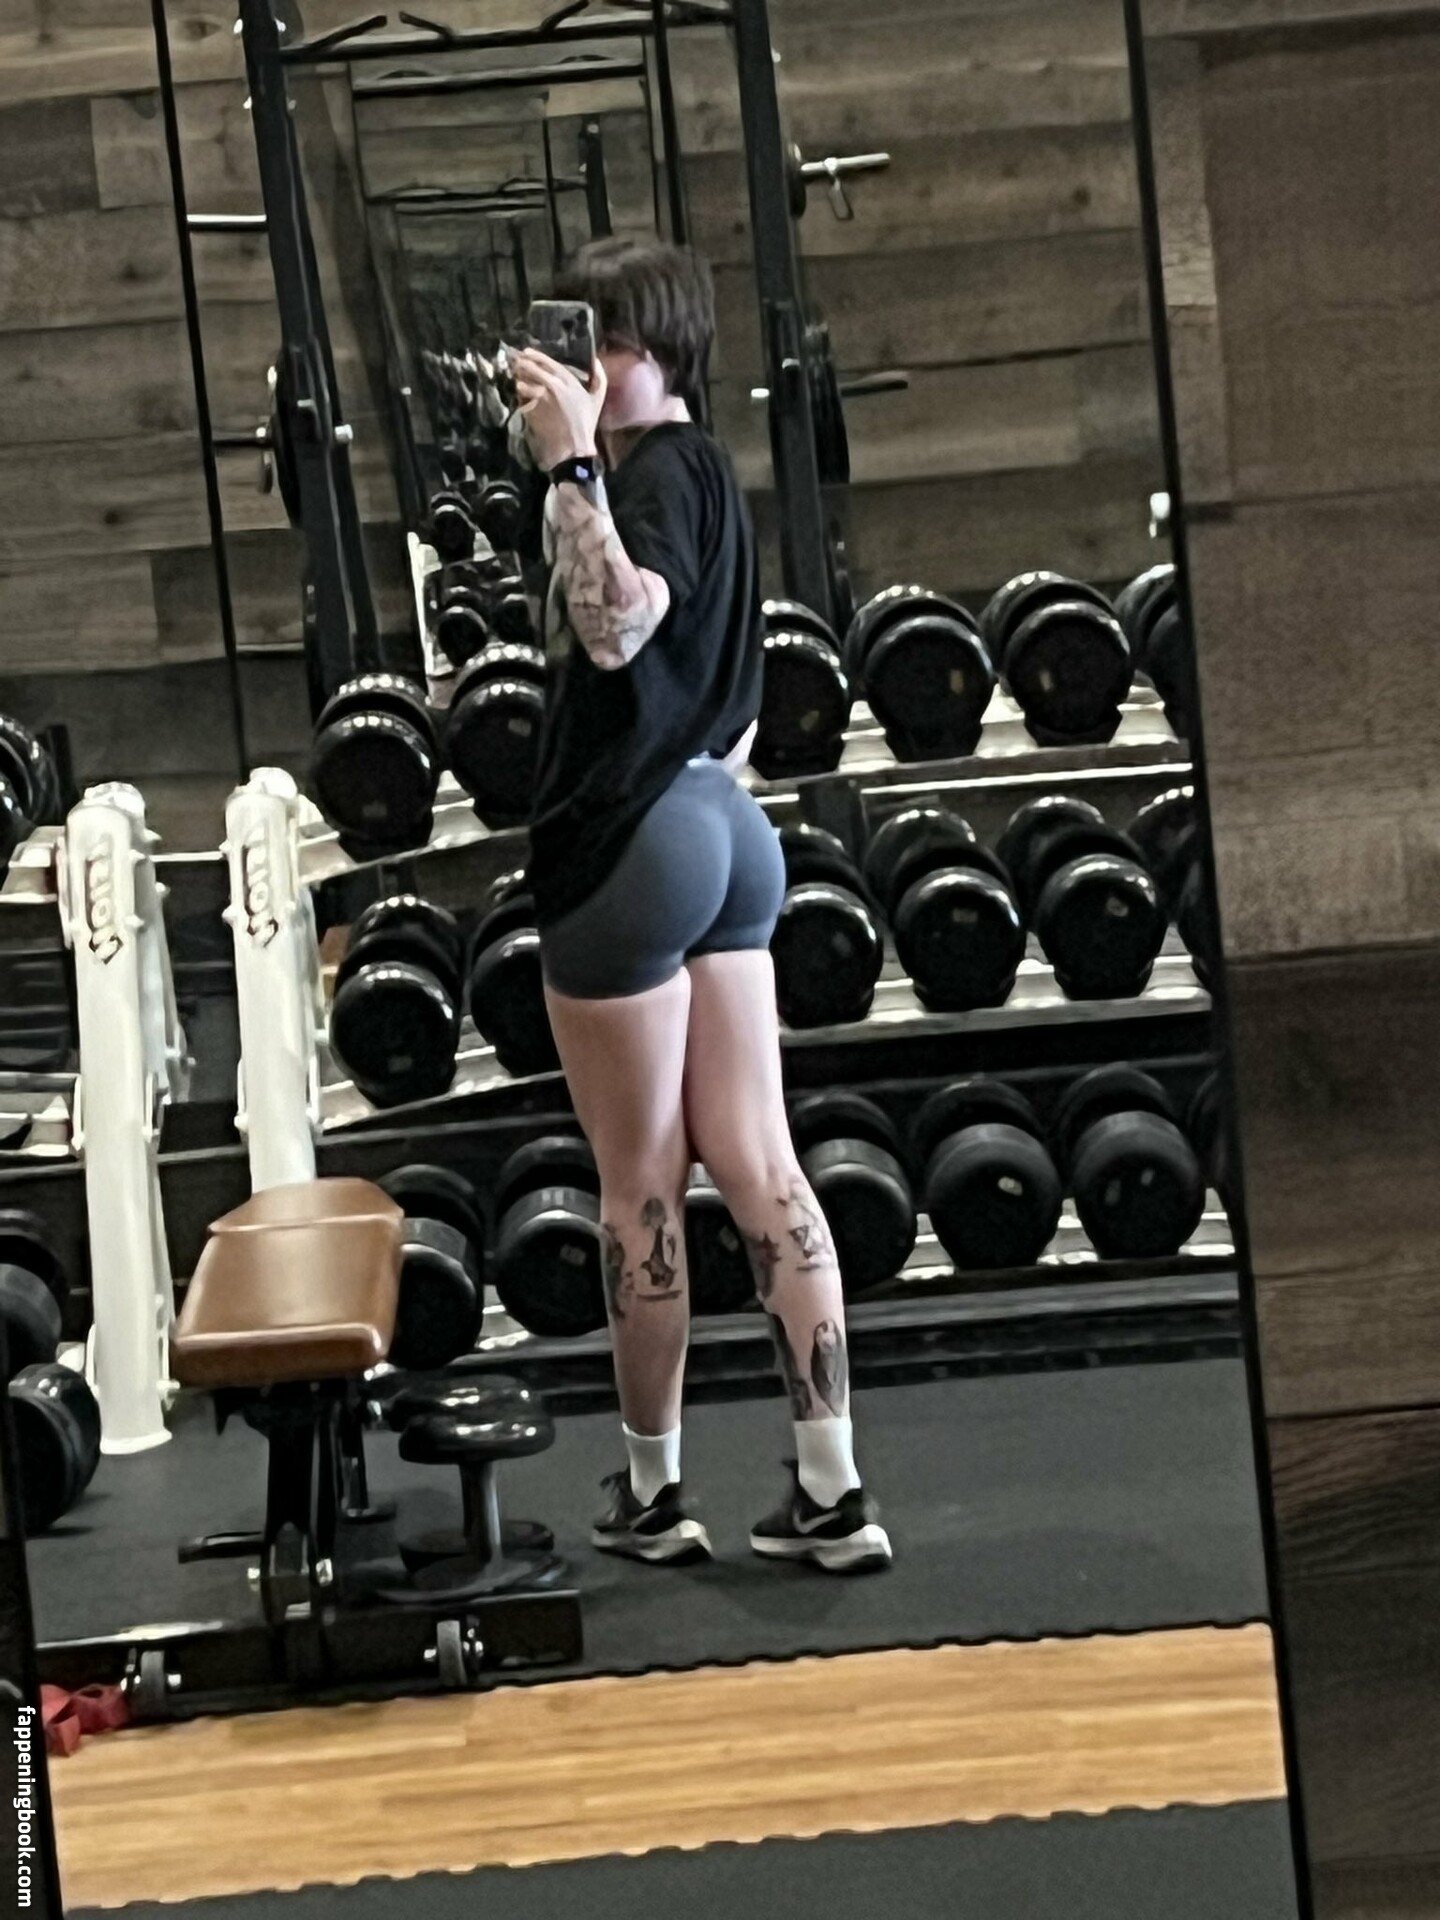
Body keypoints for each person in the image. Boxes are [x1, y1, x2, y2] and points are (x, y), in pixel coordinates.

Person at [512, 237, 890, 1575]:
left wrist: (570, 465)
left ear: (661, 354)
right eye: (575, 343)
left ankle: (652, 1494)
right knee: (762, 1162)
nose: (584, 369)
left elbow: (619, 628)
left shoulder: (654, 473)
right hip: (726, 829)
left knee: (640, 1184)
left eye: (606, 346)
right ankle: (832, 1492)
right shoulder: (701, 473)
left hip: (639, 842)